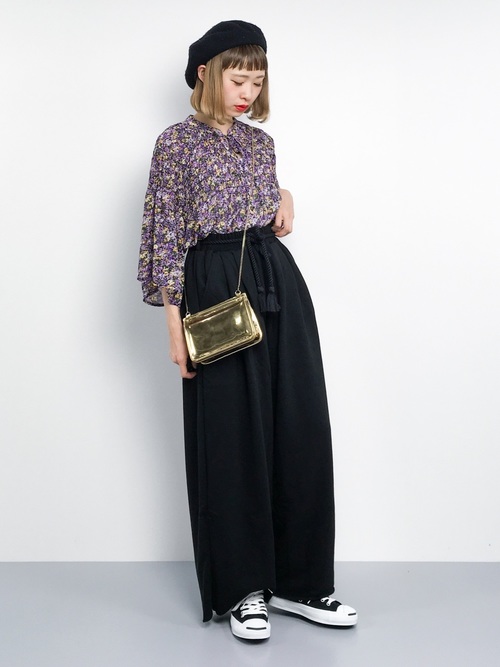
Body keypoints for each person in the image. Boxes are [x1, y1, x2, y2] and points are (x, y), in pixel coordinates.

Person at [138, 20, 357, 641]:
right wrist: (174, 326)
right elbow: (165, 235)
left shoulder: (262, 144)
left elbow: (258, 199)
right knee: (231, 436)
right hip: (213, 288)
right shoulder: (175, 143)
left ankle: (301, 582)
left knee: (300, 425)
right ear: (205, 74)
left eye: (257, 80)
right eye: (238, 78)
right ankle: (243, 589)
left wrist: (284, 192)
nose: (247, 91)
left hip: (276, 281)